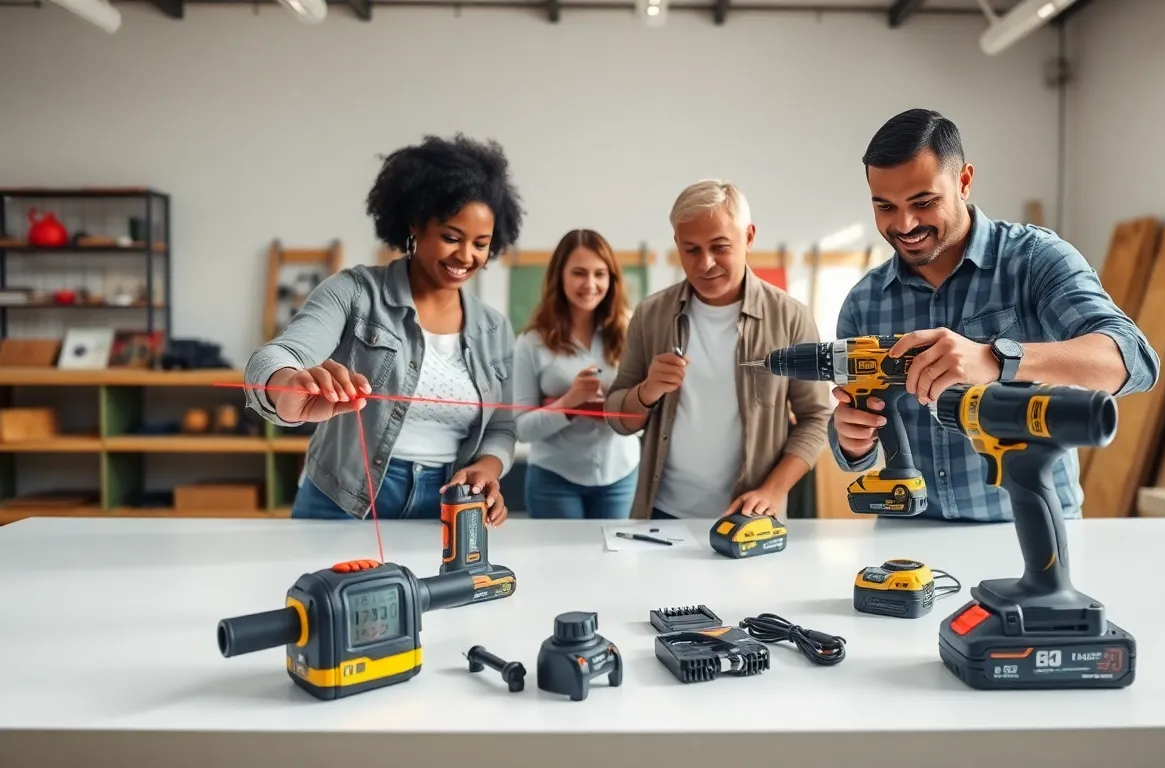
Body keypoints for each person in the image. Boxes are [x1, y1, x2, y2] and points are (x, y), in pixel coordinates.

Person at [828, 109, 1160, 522]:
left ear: (964, 181)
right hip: (912, 531)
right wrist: (852, 440)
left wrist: (996, 359)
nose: (905, 224)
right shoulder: (864, 302)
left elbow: (1135, 362)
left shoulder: (1035, 260)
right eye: (885, 207)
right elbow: (854, 453)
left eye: (923, 202)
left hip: (1029, 527)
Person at [242, 134, 524, 524]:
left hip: (447, 502)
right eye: (451, 237)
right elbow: (276, 355)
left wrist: (488, 468)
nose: (466, 256)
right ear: (415, 225)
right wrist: (286, 386)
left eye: (481, 244)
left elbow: (503, 425)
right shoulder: (354, 292)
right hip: (342, 499)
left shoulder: (494, 328)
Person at [604, 180, 831, 520]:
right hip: (661, 514)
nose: (706, 263)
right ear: (677, 245)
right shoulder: (650, 315)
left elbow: (816, 417)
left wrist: (773, 490)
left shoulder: (790, 317)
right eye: (691, 250)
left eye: (720, 247)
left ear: (749, 237)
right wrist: (646, 392)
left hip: (751, 517)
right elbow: (617, 419)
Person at [512, 229, 641, 519]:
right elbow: (522, 429)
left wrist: (616, 409)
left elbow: (646, 419)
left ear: (611, 279)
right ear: (560, 276)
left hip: (620, 475)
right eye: (579, 273)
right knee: (562, 552)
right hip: (554, 479)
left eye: (600, 274)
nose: (590, 284)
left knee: (613, 550)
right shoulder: (531, 342)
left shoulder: (632, 329)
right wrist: (569, 403)